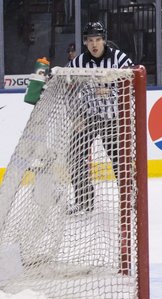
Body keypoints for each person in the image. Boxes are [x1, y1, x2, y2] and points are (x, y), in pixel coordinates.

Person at [66, 21, 134, 214]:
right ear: (85, 43)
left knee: (119, 160)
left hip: (114, 119)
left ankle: (129, 200)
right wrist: (76, 116)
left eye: (97, 39)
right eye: (90, 40)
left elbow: (132, 87)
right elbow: (67, 90)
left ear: (104, 40)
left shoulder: (119, 58)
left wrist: (111, 91)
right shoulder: (79, 62)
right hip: (89, 117)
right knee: (75, 155)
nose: (94, 44)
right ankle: (85, 201)